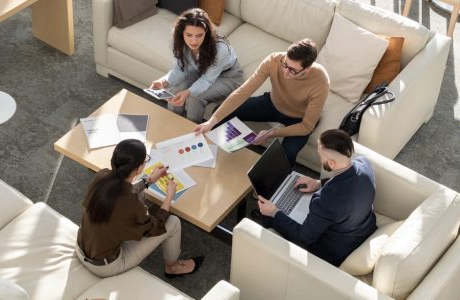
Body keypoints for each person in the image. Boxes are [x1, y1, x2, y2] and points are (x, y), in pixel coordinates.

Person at [75, 139, 204, 278]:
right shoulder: (131, 203)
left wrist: (147, 181)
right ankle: (172, 267)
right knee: (173, 222)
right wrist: (169, 196)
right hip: (105, 266)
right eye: (145, 161)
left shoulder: (102, 175)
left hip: (82, 248)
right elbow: (155, 227)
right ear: (138, 169)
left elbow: (124, 192)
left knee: (139, 194)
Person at [252, 129, 377, 267]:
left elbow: (303, 238)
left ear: (331, 164)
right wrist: (318, 183)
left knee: (269, 215)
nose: (320, 158)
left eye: (320, 155)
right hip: (361, 228)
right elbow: (347, 182)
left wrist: (274, 212)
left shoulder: (324, 201)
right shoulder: (364, 165)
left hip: (333, 250)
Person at [193, 39, 329, 164]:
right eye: (285, 64)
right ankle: (210, 154)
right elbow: (243, 92)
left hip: (299, 118)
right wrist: (211, 121)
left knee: (286, 155)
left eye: (293, 70)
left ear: (307, 69)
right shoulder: (274, 60)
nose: (285, 72)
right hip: (272, 103)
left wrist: (272, 133)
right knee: (219, 113)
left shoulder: (321, 81)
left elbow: (307, 126)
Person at [150, 8, 244, 123]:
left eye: (199, 35)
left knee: (195, 97)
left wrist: (188, 92)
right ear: (182, 33)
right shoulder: (177, 37)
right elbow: (180, 69)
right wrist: (163, 81)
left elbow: (207, 80)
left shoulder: (220, 49)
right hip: (199, 71)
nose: (194, 41)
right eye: (189, 35)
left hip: (228, 77)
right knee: (176, 89)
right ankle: (172, 123)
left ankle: (192, 128)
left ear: (206, 33)